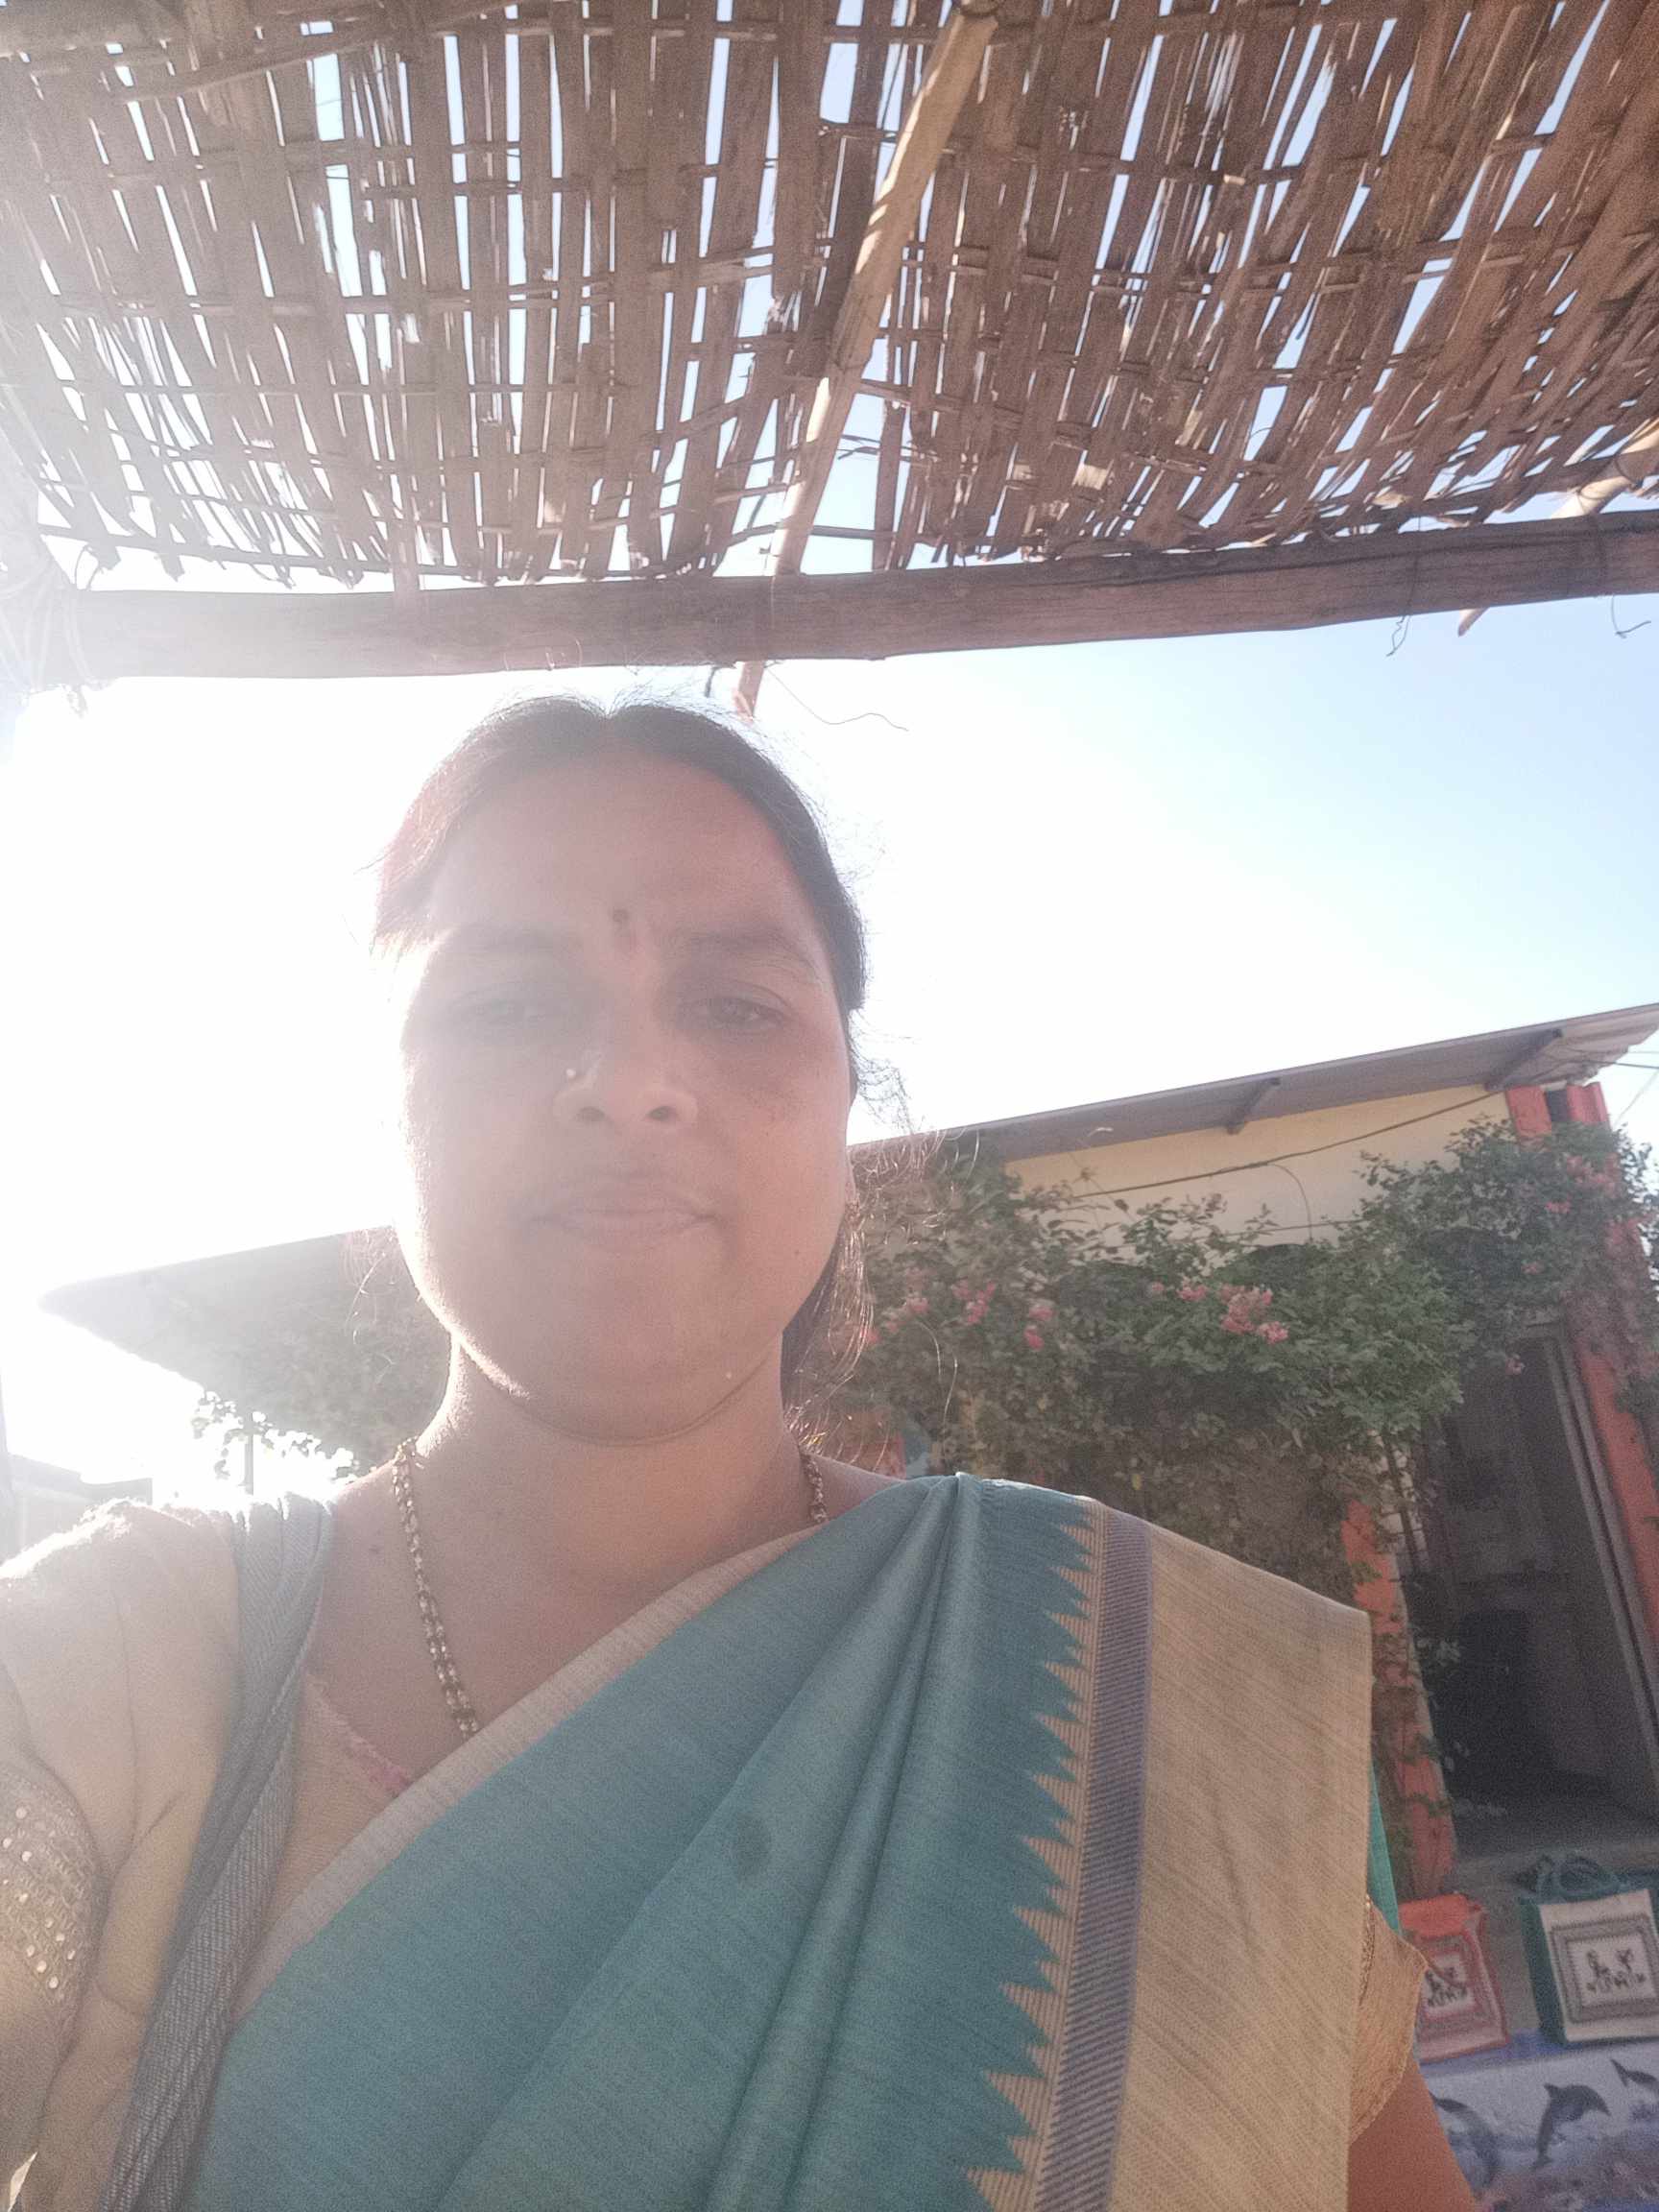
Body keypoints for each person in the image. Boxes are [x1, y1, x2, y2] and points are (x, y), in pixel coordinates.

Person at [0, 695, 1474, 2212]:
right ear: (383, 1099)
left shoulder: (1138, 1689)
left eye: (738, 1006)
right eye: (504, 1005)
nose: (628, 1078)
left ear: (846, 1098)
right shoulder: (106, 1675)